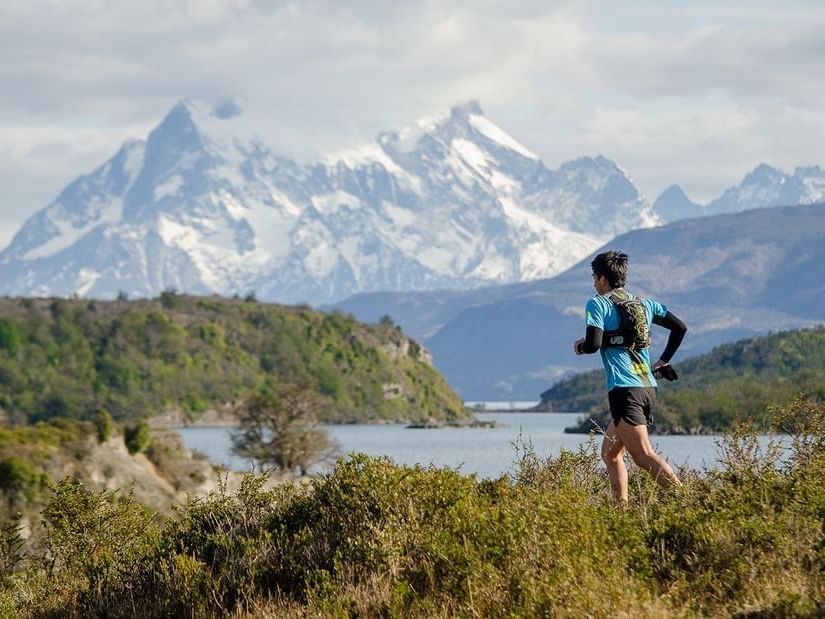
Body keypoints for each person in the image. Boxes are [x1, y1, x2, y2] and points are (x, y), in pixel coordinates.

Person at [573, 250, 687, 502]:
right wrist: (664, 360)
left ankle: (686, 501)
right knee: (611, 454)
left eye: (594, 277)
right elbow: (680, 327)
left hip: (624, 389)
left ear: (602, 278)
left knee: (643, 454)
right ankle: (621, 513)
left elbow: (593, 344)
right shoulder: (645, 305)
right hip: (646, 387)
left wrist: (580, 347)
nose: (593, 283)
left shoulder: (597, 304)